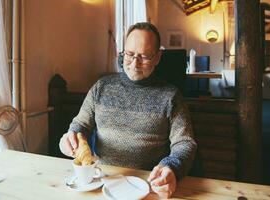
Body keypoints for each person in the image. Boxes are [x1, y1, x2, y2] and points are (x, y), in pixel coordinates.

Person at [59, 22, 197, 198]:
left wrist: (172, 167)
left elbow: (185, 143)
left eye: (144, 56)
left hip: (149, 184)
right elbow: (80, 125)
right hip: (103, 180)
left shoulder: (171, 96)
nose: (134, 63)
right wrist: (72, 136)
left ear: (157, 58)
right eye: (129, 54)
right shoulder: (101, 87)